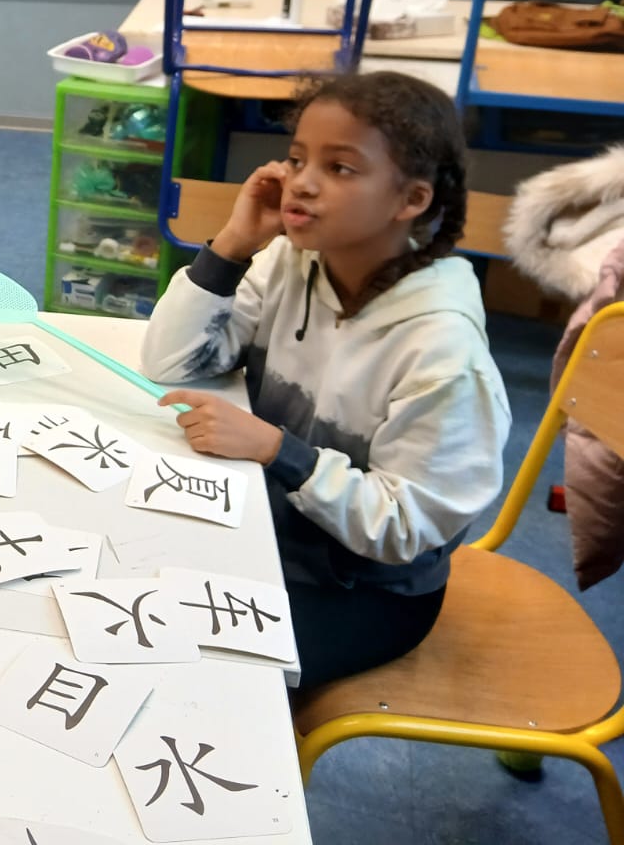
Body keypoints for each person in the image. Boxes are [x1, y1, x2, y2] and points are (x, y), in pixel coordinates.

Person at [141, 71, 509, 686]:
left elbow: (407, 529)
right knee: (128, 589)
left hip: (366, 591)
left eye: (340, 168)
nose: (301, 182)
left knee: (200, 673)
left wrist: (279, 451)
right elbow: (170, 363)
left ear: (410, 201)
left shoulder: (443, 349)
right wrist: (232, 246)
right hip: (265, 532)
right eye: (296, 157)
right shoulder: (293, 258)